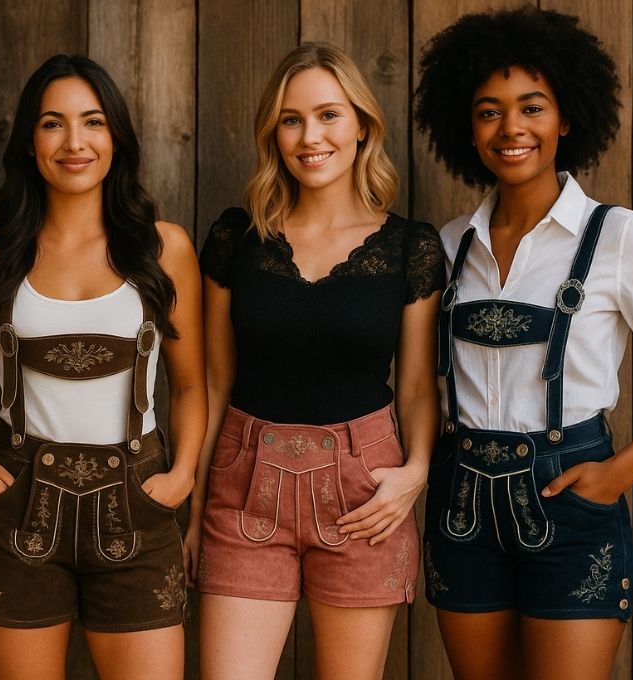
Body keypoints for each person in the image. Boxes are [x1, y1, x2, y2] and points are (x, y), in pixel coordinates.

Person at [413, 8, 633, 680]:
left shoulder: (619, 237)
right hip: (460, 506)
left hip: (570, 501)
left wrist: (618, 474)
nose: (512, 128)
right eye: (489, 111)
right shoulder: (446, 246)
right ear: (467, 128)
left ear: (567, 118)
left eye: (532, 107)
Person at [187, 43, 443, 680]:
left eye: (328, 115)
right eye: (291, 119)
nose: (310, 136)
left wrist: (415, 471)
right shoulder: (235, 239)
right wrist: (190, 516)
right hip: (244, 486)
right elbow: (213, 383)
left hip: (366, 489)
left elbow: (414, 387)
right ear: (274, 133)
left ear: (362, 124)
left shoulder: (411, 248)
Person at [0, 54, 205, 680]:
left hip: (138, 503)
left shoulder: (163, 248)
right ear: (30, 143)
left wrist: (181, 477)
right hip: (16, 505)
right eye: (52, 124)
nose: (74, 142)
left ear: (115, 136)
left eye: (92, 122)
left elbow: (191, 384)